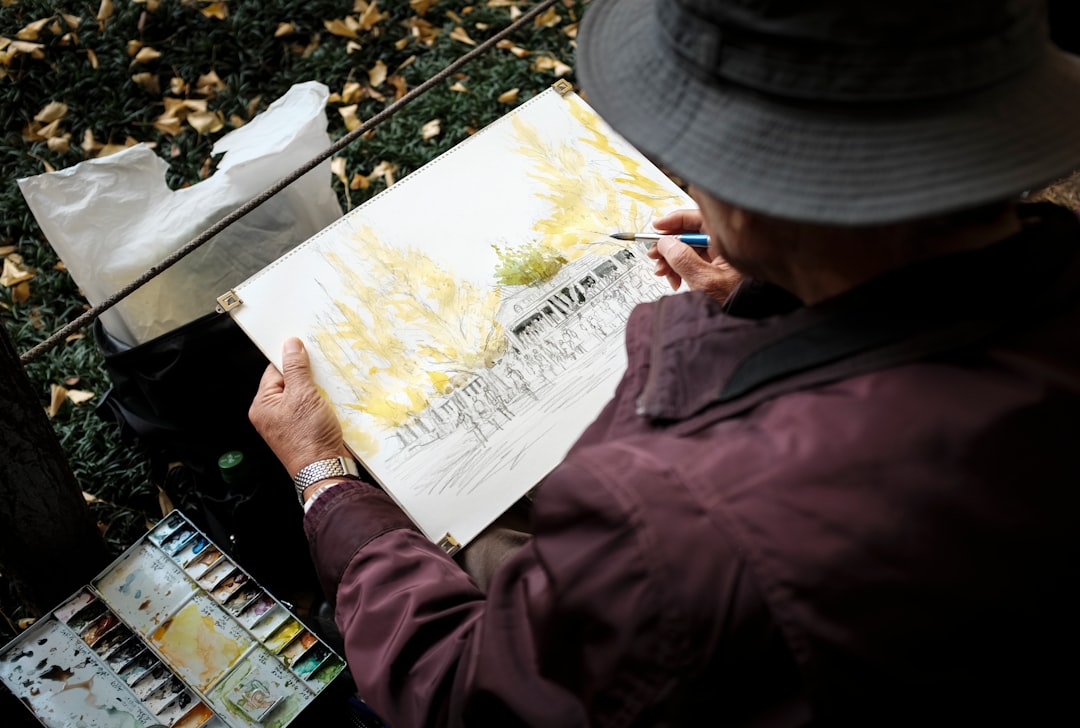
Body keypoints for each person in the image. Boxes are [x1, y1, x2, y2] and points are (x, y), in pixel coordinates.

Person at [249, 0, 1080, 724]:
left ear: (748, 199)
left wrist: (329, 485)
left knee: (479, 543)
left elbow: (470, 695)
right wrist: (779, 287)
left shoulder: (676, 518)